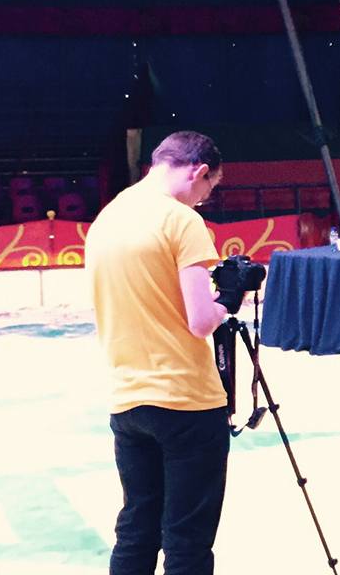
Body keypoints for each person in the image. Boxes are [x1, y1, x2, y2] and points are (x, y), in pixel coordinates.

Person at [85, 131, 230, 574]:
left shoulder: (108, 216)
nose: (204, 199)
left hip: (127, 398)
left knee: (137, 528)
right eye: (209, 188)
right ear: (199, 171)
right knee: (187, 539)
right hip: (186, 399)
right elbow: (201, 321)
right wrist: (229, 300)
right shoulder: (182, 221)